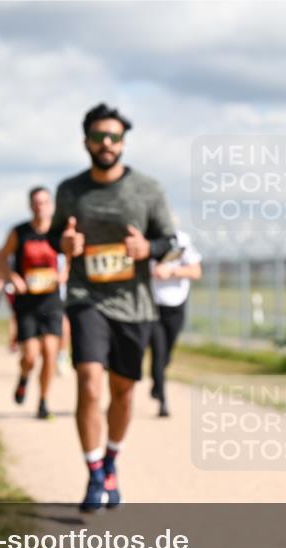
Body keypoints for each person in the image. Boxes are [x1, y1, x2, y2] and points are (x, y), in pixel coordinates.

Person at [50, 103, 177, 512]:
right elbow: (56, 236)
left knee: (123, 391)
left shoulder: (148, 189)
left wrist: (148, 248)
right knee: (88, 381)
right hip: (87, 297)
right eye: (99, 136)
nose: (107, 144)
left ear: (123, 142)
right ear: (86, 140)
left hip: (134, 304)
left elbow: (169, 241)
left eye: (115, 137)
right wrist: (65, 245)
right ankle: (93, 474)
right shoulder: (70, 190)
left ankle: (111, 461)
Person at [0, 187, 65, 419]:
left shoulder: (58, 231)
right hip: (27, 301)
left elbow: (74, 257)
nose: (40, 207)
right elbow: (2, 258)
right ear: (30, 205)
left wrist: (64, 275)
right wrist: (12, 277)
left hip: (51, 300)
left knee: (50, 352)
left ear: (51, 205)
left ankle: (44, 401)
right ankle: (24, 376)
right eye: (36, 202)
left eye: (45, 202)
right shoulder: (20, 232)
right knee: (30, 355)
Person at [148, 227, 202, 417]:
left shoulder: (182, 240)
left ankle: (157, 381)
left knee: (167, 353)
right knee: (158, 351)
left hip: (176, 305)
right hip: (152, 306)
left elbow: (196, 271)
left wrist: (171, 271)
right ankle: (163, 401)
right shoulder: (145, 238)